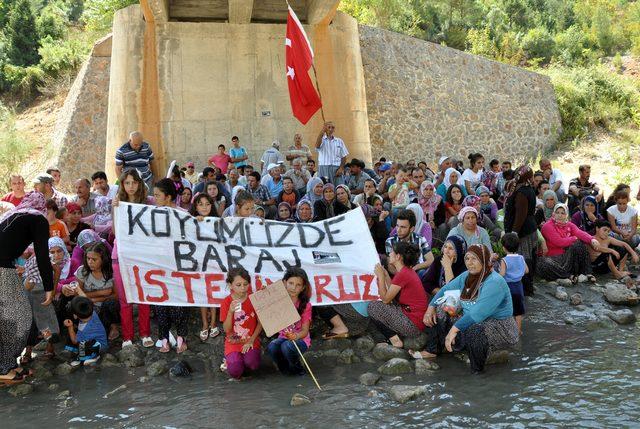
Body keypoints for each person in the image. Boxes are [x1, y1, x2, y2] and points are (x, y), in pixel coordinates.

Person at [420, 245, 518, 373]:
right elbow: (446, 289)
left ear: (484, 260)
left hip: (500, 327)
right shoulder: (466, 276)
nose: (469, 263)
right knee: (441, 308)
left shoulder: (495, 282)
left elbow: (478, 313)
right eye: (467, 258)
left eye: (474, 259)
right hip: (474, 319)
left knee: (474, 330)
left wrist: (453, 330)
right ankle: (433, 350)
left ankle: (477, 372)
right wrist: (431, 307)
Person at [0, 192, 54, 384]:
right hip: (2, 268)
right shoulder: (38, 218)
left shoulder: (16, 214)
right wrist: (50, 287)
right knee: (19, 317)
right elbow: (42, 256)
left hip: (4, 266)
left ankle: (9, 364)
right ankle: (4, 367)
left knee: (10, 316)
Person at [112, 169, 153, 348]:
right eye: (127, 183)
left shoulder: (148, 202)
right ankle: (127, 337)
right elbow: (114, 231)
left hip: (142, 256)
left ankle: (145, 334)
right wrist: (115, 209)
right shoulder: (117, 203)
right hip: (120, 255)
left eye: (134, 182)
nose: (130, 186)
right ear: (122, 184)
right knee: (125, 298)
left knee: (143, 297)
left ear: (139, 183)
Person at [153, 179, 190, 353]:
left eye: (157, 195)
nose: (154, 199)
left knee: (179, 301)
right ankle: (164, 338)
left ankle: (182, 337)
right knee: (161, 303)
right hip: (159, 265)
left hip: (179, 265)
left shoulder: (183, 215)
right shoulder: (150, 215)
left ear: (168, 197)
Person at [369, 241, 428, 348]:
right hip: (413, 318)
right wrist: (386, 275)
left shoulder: (403, 274)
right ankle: (396, 337)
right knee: (381, 306)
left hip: (412, 324)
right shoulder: (405, 271)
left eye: (391, 252)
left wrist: (381, 277)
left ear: (398, 256)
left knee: (373, 306)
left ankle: (395, 340)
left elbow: (386, 299)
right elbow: (393, 293)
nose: (389, 254)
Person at [267, 267, 312, 375]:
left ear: (303, 287)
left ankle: (298, 370)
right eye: (291, 283)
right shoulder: (278, 301)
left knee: (286, 346)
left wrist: (295, 336)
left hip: (301, 340)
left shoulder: (305, 305)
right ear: (284, 283)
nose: (293, 288)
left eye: (298, 285)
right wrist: (265, 295)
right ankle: (285, 371)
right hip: (283, 338)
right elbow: (265, 308)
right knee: (272, 346)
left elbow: (305, 332)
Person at [538, 203, 599, 282]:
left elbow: (579, 232)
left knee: (579, 244)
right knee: (543, 263)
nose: (560, 215)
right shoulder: (547, 226)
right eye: (557, 212)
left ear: (566, 214)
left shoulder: (569, 225)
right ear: (553, 214)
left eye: (563, 213)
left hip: (567, 257)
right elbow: (559, 242)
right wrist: (574, 238)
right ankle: (568, 276)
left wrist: (592, 239)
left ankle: (587, 273)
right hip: (553, 259)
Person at [71, 242, 120, 341]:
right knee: (71, 304)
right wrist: (100, 293)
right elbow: (77, 294)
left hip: (104, 307)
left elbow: (116, 296)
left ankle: (114, 327)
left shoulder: (111, 272)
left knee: (111, 304)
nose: (90, 262)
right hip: (88, 307)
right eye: (88, 258)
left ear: (103, 259)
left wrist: (93, 298)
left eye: (94, 259)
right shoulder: (83, 271)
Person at [221, 268, 262, 379]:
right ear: (230, 285)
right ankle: (230, 361)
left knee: (252, 364)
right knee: (235, 371)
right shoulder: (226, 302)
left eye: (245, 284)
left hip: (251, 340)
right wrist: (230, 311)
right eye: (238, 285)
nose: (243, 288)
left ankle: (239, 362)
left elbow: (261, 323)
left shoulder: (253, 299)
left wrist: (251, 340)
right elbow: (226, 329)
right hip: (233, 342)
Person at [503, 166, 538, 296]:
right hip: (529, 228)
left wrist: (514, 232)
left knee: (524, 258)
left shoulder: (522, 192)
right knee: (528, 257)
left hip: (523, 231)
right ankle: (528, 286)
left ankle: (526, 288)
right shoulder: (527, 189)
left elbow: (521, 214)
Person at [385, 209, 434, 275]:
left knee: (422, 273)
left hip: (417, 273)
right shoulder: (390, 241)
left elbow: (431, 260)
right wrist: (405, 276)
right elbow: (390, 267)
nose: (398, 230)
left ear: (412, 229)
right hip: (399, 275)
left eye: (403, 227)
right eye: (397, 226)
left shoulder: (420, 239)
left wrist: (415, 268)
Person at [63, 296, 107, 367]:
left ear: (75, 315)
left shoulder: (86, 330)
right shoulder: (93, 313)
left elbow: (75, 341)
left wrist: (70, 327)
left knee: (81, 343)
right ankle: (73, 351)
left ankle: (92, 357)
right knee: (75, 334)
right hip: (91, 339)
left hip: (100, 347)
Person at [499, 233, 527, 334]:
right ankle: (518, 330)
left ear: (504, 248)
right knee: (518, 310)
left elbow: (502, 274)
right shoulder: (521, 258)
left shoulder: (504, 260)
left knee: (508, 308)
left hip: (508, 287)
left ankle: (508, 330)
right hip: (519, 286)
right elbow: (526, 270)